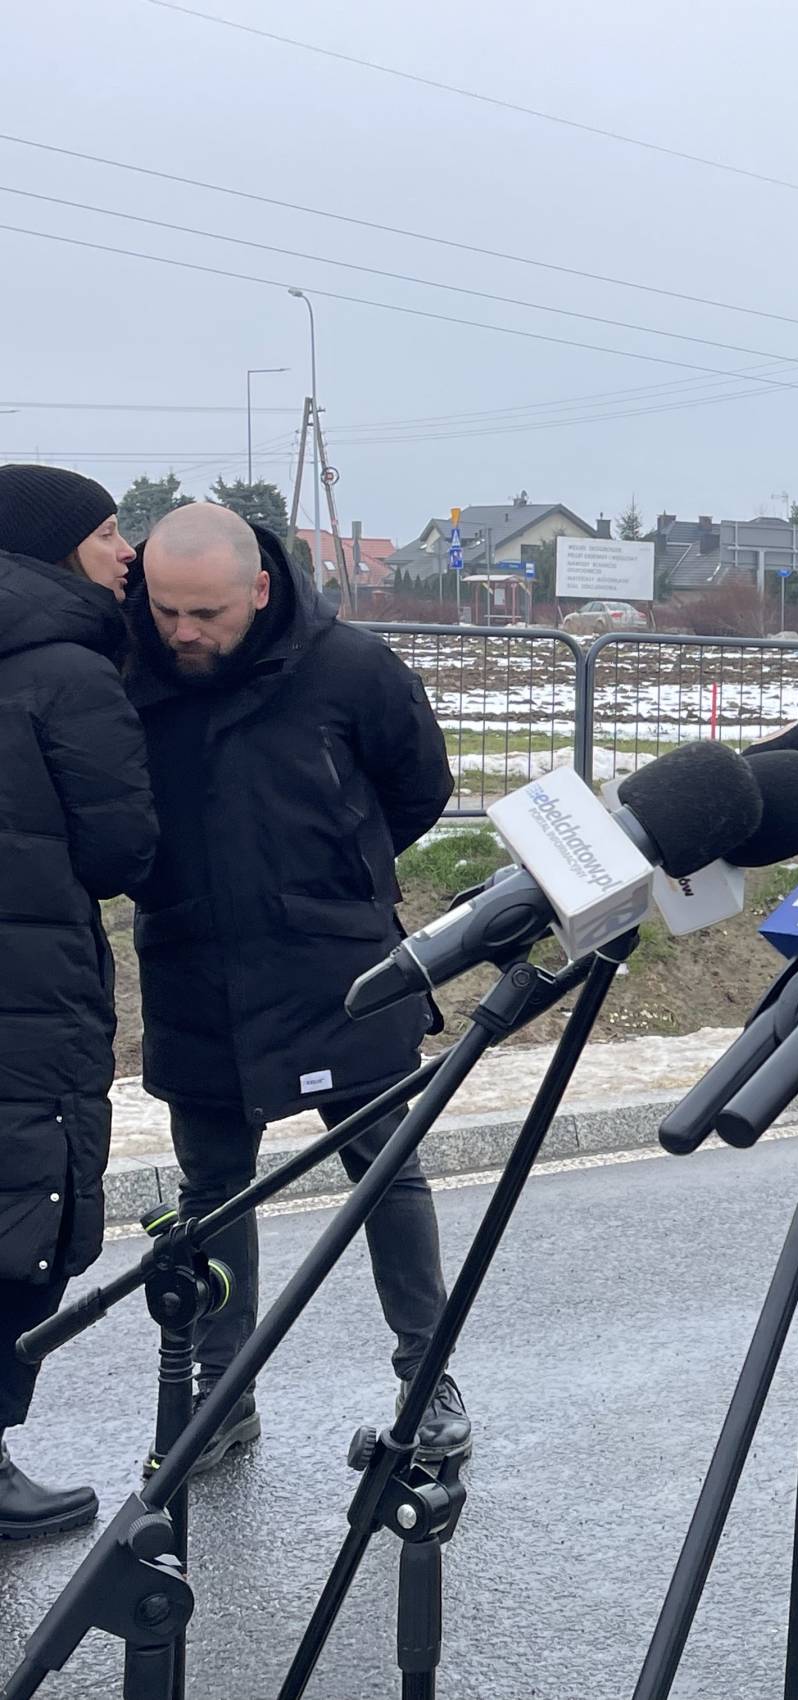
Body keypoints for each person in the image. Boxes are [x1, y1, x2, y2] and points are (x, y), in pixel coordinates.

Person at [124, 502, 468, 1471]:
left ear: (261, 589)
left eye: (207, 613)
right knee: (211, 1193)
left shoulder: (351, 668)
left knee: (387, 1174)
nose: (184, 633)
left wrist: (333, 877)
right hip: (193, 966)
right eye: (167, 611)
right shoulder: (128, 668)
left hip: (340, 968)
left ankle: (427, 1378)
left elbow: (419, 786)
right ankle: (221, 1393)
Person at [0, 466, 156, 1538]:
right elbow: (119, 849)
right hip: (28, 985)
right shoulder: (69, 669)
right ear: (56, 549)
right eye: (106, 532)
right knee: (27, 1210)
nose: (127, 551)